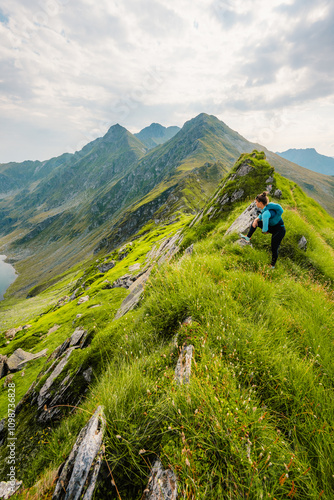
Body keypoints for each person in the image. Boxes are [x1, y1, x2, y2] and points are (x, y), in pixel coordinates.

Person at [240, 192, 286, 269]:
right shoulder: (266, 208)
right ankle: (248, 237)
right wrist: (256, 219)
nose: (255, 203)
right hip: (274, 227)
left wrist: (265, 231)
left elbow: (265, 228)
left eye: (256, 202)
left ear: (260, 203)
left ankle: (272, 265)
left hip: (279, 231)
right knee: (255, 222)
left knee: (274, 247)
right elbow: (262, 215)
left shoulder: (266, 213)